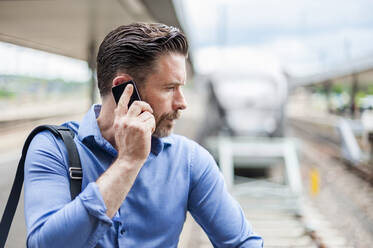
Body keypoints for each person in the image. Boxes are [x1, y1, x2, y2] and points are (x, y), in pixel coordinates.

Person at [24, 23, 263, 247]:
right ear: (125, 90)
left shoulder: (190, 160)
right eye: (170, 88)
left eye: (182, 88)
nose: (182, 103)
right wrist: (128, 162)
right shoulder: (52, 148)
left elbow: (243, 242)